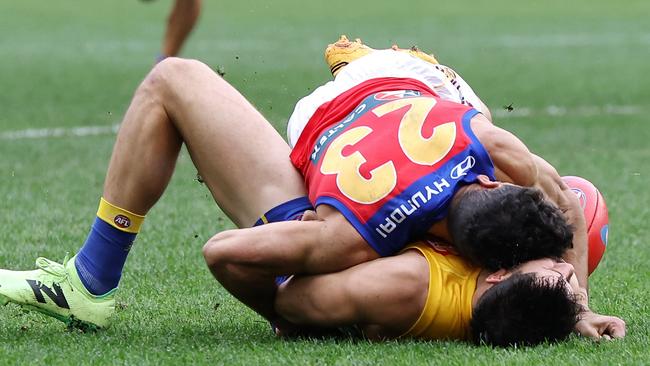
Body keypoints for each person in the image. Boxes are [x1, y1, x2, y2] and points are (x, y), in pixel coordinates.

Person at [0, 39, 611, 340]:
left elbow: (558, 202)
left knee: (173, 77)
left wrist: (577, 302)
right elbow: (563, 204)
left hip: (353, 129)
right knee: (173, 79)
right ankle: (88, 281)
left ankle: (89, 280)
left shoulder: (482, 143)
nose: (562, 262)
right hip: (335, 153)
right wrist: (288, 316)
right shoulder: (361, 241)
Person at [272, 238, 624, 346]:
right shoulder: (528, 292)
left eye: (557, 275)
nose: (567, 268)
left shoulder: (405, 283)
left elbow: (286, 302)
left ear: (500, 277)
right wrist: (581, 312)